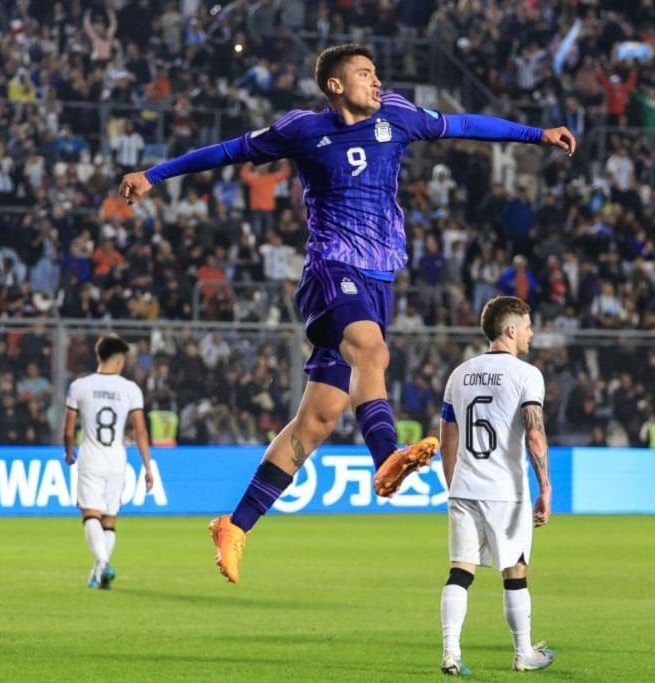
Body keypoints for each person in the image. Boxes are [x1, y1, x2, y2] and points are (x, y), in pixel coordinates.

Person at [119, 43, 577, 583]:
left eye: (376, 73)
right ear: (335, 86)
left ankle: (236, 525)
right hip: (332, 269)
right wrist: (155, 173)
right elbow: (226, 152)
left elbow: (465, 123)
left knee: (315, 422)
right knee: (373, 350)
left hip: (379, 277)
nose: (376, 81)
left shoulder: (399, 116)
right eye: (365, 74)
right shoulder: (302, 129)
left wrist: (535, 134)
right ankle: (386, 453)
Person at [438, 296, 554, 675]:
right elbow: (534, 435)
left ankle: (451, 653)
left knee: (461, 571)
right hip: (507, 491)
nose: (531, 332)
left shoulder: (459, 374)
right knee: (515, 572)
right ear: (510, 330)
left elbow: (447, 439)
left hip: (465, 487)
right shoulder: (526, 374)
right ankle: (524, 653)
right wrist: (546, 488)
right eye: (527, 325)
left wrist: (455, 483)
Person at [63, 334, 153, 589]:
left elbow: (69, 429)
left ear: (98, 357)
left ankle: (102, 564)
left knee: (90, 513)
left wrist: (69, 452)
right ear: (119, 360)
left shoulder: (79, 386)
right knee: (109, 519)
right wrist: (147, 467)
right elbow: (140, 431)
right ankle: (99, 572)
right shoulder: (130, 389)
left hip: (90, 457)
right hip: (117, 460)